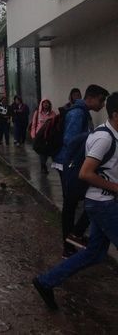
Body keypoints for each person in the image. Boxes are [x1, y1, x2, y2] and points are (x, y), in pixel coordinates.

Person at [33, 91, 118, 310]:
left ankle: (45, 282)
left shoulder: (113, 135)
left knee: (94, 253)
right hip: (103, 204)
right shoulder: (104, 138)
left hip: (102, 203)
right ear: (116, 115)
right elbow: (85, 173)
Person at [52, 84, 108, 258]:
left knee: (76, 202)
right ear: (90, 98)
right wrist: (92, 136)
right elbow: (70, 140)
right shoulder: (77, 113)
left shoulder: (82, 112)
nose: (103, 104)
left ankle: (72, 240)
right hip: (69, 164)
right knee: (73, 204)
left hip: (73, 163)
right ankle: (69, 245)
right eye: (101, 100)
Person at [30, 98, 57, 174]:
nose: (45, 104)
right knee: (42, 152)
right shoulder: (37, 113)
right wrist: (33, 135)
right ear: (41, 104)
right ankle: (43, 166)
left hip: (49, 136)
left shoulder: (53, 113)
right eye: (44, 103)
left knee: (47, 151)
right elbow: (34, 124)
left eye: (47, 103)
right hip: (40, 136)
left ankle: (45, 164)